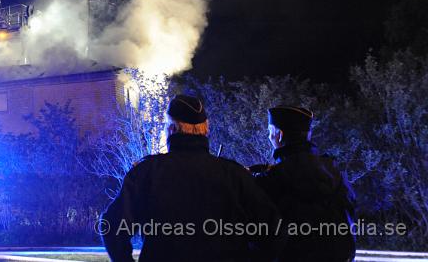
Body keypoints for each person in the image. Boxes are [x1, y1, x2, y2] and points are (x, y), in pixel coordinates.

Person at [100, 95, 283, 262]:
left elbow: (111, 226)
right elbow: (273, 228)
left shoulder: (147, 172)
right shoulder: (234, 175)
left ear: (171, 129)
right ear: (206, 129)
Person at [251, 105, 356, 262]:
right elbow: (350, 210)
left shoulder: (275, 177)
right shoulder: (335, 171)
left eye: (269, 132)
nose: (269, 137)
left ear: (278, 134)